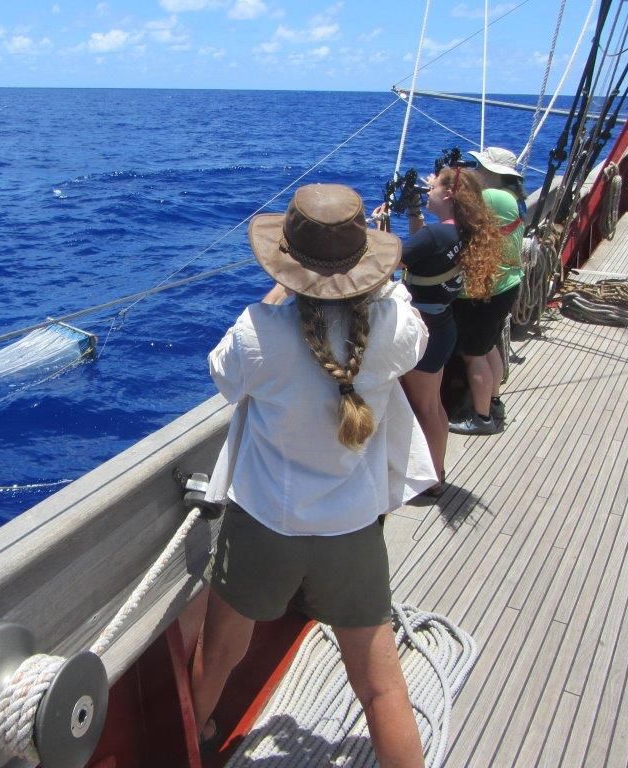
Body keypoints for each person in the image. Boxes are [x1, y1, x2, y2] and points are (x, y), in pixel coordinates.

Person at [192, 183, 436, 767]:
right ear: (363, 267)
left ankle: (196, 736)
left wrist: (277, 300)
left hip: (263, 529)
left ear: (288, 264)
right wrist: (389, 289)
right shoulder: (392, 331)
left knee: (220, 654)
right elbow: (414, 331)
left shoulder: (259, 334)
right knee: (380, 688)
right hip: (352, 532)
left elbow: (221, 374)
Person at [373, 166, 501, 494]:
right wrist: (414, 212)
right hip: (442, 325)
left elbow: (389, 262)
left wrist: (380, 228)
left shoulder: (436, 236)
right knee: (434, 406)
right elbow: (424, 248)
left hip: (423, 332)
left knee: (425, 408)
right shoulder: (458, 231)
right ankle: (436, 471)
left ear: (448, 194)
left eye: (430, 189)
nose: (426, 191)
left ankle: (431, 481)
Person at [450, 147, 526, 435]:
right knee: (488, 347)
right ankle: (493, 402)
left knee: (473, 356)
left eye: (480, 167)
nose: (476, 171)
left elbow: (453, 206)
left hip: (488, 289)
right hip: (505, 283)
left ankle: (480, 418)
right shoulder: (511, 197)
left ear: (494, 173)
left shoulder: (494, 197)